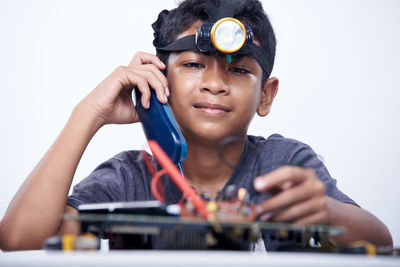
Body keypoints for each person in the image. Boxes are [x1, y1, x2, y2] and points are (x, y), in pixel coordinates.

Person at [0, 0, 392, 251]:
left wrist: (324, 210)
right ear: (157, 76)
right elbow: (19, 241)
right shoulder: (129, 177)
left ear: (266, 96)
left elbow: (381, 241)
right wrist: (88, 113)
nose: (215, 84)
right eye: (191, 64)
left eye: (238, 70)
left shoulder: (285, 164)